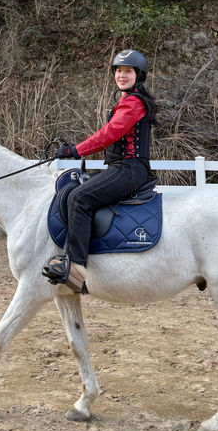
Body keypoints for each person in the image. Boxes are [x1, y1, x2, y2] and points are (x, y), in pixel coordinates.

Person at [42, 49, 158, 293]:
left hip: (129, 169)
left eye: (127, 71)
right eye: (118, 71)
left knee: (80, 198)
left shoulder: (134, 102)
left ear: (138, 75)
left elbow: (110, 134)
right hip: (121, 167)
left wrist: (76, 150)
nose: (121, 75)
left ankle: (76, 267)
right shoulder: (127, 100)